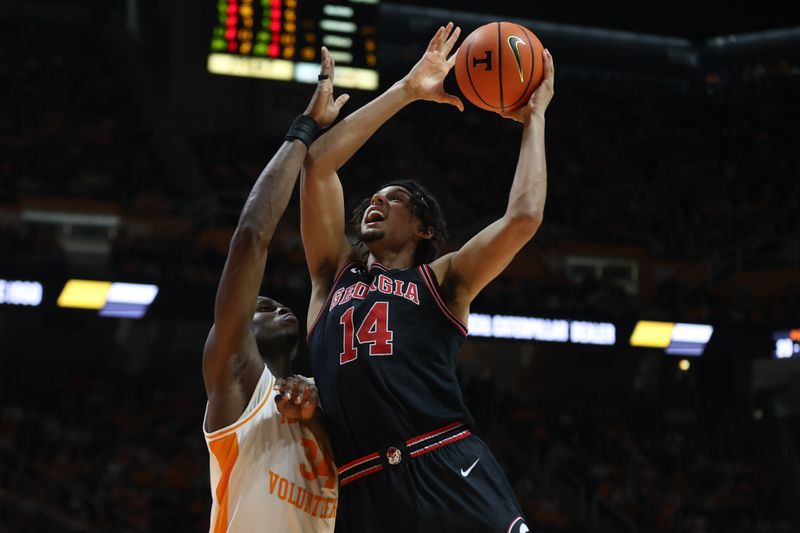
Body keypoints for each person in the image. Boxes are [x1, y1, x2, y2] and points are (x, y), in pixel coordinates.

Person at [300, 22, 554, 532]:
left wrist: (534, 120)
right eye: (373, 196)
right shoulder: (332, 277)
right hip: (362, 487)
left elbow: (523, 218)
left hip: (446, 462)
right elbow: (318, 166)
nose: (375, 200)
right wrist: (408, 89)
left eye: (393, 198)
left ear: (423, 227)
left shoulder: (443, 281)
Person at [202, 48, 349, 532]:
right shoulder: (238, 383)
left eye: (274, 301)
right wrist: (304, 131)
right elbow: (251, 235)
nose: (276, 304)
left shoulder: (323, 403)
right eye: (261, 307)